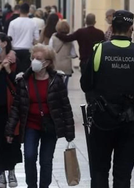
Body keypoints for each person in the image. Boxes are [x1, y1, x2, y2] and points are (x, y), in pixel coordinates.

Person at [80, 10, 134, 188]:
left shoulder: (100, 49)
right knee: (123, 175)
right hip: (131, 124)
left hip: (102, 122)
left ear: (112, 27)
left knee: (100, 171)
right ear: (131, 28)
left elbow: (85, 84)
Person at [5, 44, 75, 188]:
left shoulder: (56, 81)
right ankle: (31, 185)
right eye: (33, 58)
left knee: (46, 160)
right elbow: (17, 107)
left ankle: (44, 186)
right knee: (30, 157)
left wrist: (69, 132)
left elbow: (65, 107)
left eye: (39, 59)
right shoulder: (23, 80)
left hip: (50, 126)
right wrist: (10, 130)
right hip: (31, 125)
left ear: (47, 62)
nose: (34, 61)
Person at [0, 33, 22, 188]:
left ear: (4, 44)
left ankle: (11, 171)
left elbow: (19, 85)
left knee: (11, 140)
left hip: (10, 108)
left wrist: (8, 70)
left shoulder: (14, 62)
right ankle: (1, 172)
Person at [8, 3, 39, 73]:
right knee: (26, 73)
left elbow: (10, 38)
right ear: (29, 11)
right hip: (28, 50)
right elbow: (36, 39)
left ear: (19, 10)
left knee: (16, 72)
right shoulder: (33, 23)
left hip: (15, 50)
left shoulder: (13, 23)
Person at [49, 20, 77, 87]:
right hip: (66, 66)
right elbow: (73, 54)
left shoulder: (53, 38)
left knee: (55, 85)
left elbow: (49, 51)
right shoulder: (70, 40)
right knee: (64, 86)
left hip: (55, 65)